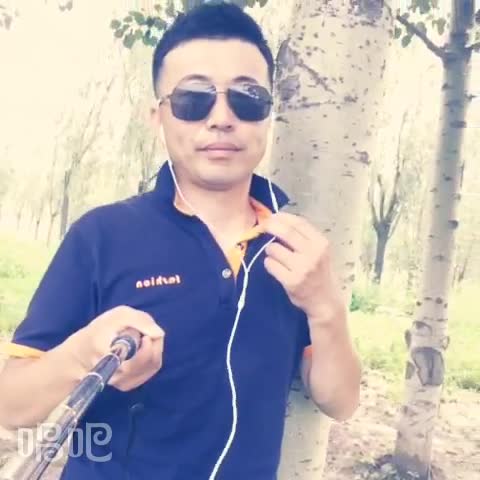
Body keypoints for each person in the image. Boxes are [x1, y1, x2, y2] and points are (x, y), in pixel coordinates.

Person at [0, 3, 361, 479]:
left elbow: (340, 402)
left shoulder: (295, 250)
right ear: (158, 117)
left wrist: (326, 307)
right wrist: (84, 353)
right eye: (194, 99)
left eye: (247, 98)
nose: (222, 118)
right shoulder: (102, 236)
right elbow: (10, 405)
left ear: (268, 116)